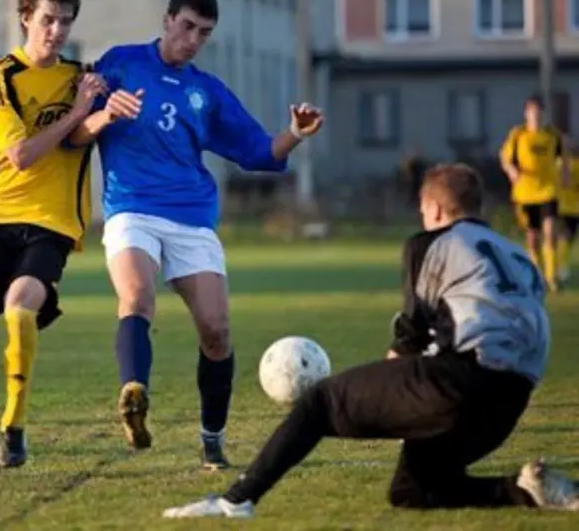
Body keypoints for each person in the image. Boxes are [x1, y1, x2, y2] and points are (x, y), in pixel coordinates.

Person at [162, 163, 579, 519]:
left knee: (320, 403)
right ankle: (525, 490)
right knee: (412, 489)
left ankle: (236, 501)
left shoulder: (432, 242)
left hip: (459, 380)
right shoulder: (519, 256)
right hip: (510, 401)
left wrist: (391, 387)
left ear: (432, 208)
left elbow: (412, 335)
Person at [70, 0, 323, 469]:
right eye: (186, 27)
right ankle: (133, 392)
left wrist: (295, 134)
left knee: (217, 331)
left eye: (203, 34)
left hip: (191, 216)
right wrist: (103, 114)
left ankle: (212, 440)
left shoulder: (206, 92)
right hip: (131, 208)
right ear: (167, 20)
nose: (192, 40)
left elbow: (257, 153)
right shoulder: (120, 63)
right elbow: (76, 133)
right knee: (137, 298)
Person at [0, 0, 130, 479]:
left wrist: (101, 114)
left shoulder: (81, 77)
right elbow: (21, 155)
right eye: (48, 19)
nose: (56, 30)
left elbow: (79, 138)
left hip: (50, 223)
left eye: (65, 21)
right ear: (25, 17)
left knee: (21, 310)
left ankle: (13, 425)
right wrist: (75, 112)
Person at [500, 96, 569, 292]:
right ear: (526, 114)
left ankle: (551, 276)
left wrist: (564, 176)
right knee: (533, 236)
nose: (537, 116)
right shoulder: (518, 135)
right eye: (533, 112)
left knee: (550, 231)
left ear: (545, 115)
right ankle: (537, 274)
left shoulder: (552, 136)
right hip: (525, 193)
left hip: (548, 190)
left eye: (540, 113)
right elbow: (505, 158)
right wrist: (512, 171)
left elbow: (562, 158)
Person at [557, 138, 579, 284]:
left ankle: (561, 268)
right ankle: (559, 268)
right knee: (563, 239)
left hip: (573, 208)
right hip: (563, 207)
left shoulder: (575, 164)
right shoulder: (557, 164)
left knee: (567, 239)